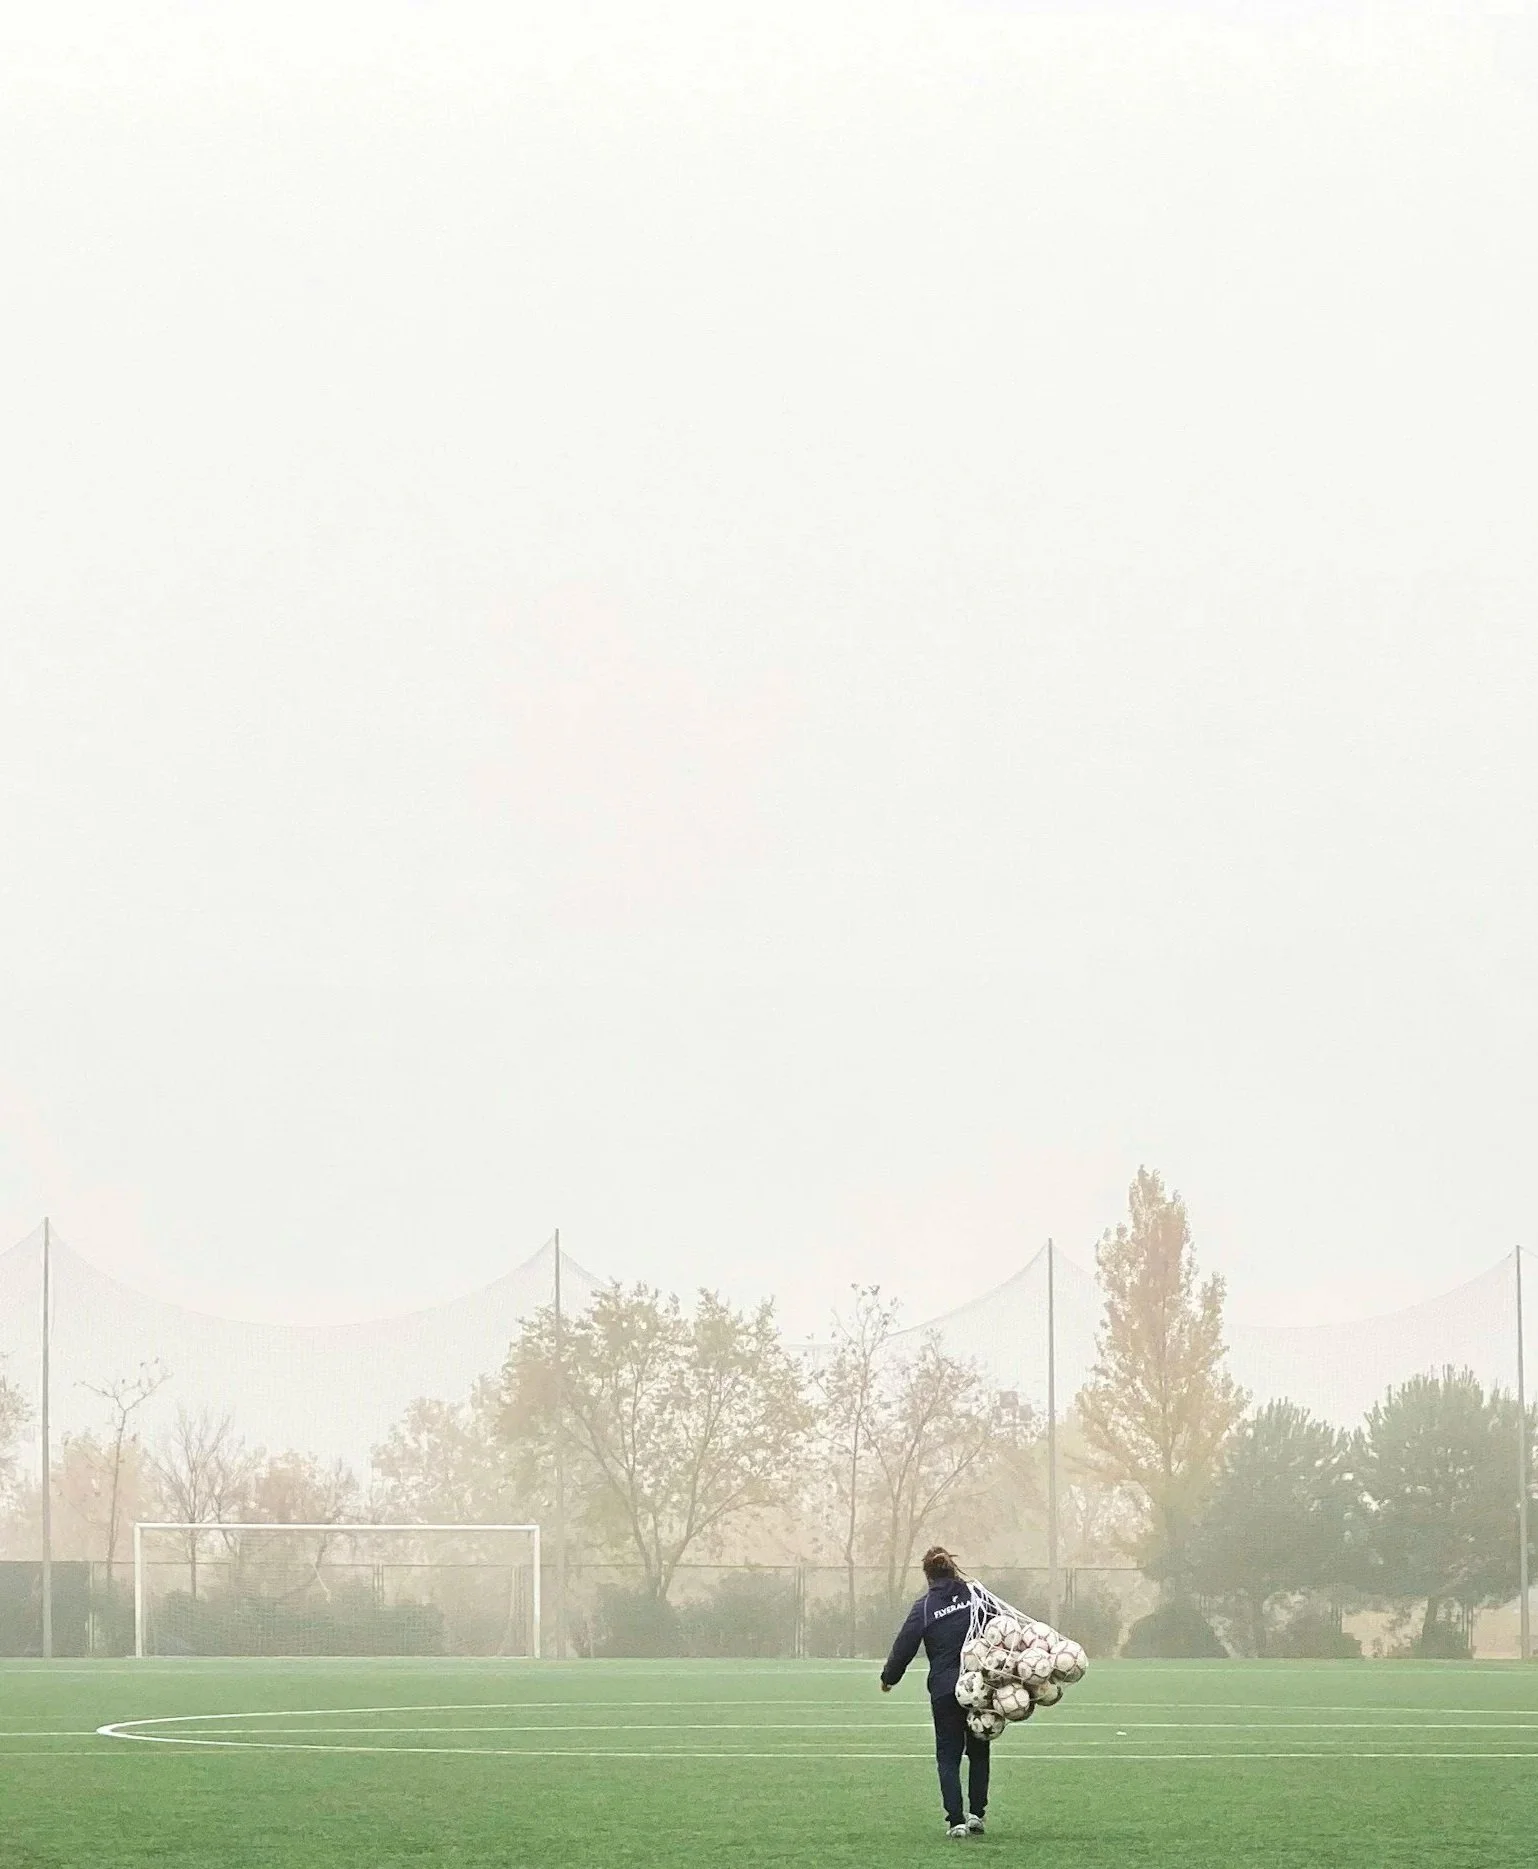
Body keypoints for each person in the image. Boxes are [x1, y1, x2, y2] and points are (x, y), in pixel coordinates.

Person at [880, 1545, 990, 1839]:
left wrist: (889, 1678)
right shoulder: (976, 1596)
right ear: (953, 1569)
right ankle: (976, 1815)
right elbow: (1001, 1628)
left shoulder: (925, 1607)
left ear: (928, 1576)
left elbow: (904, 1645)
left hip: (945, 1690)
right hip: (978, 1686)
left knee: (948, 1756)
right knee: (979, 1751)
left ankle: (956, 1821)